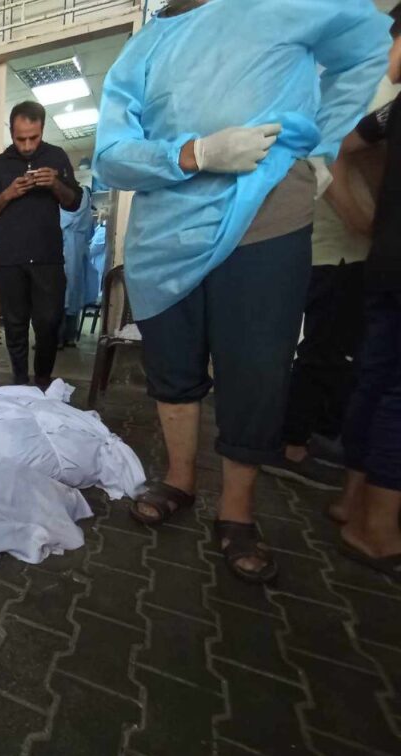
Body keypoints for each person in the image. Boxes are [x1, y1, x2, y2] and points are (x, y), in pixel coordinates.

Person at [93, 0, 390, 584]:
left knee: (256, 370)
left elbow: (364, 48)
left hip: (265, 218)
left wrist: (322, 143)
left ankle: (237, 512)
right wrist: (193, 153)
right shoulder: (141, 49)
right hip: (166, 233)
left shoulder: (279, 7)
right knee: (172, 364)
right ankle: (179, 479)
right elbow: (109, 156)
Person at [329, 4, 401, 580]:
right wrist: (369, 220)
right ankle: (376, 528)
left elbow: (346, 150)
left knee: (377, 378)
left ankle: (354, 502)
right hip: (389, 260)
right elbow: (340, 153)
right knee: (393, 389)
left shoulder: (388, 111)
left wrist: (376, 223)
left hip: (386, 262)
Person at [260, 176, 371, 490]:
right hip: (338, 254)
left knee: (332, 351)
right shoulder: (344, 147)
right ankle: (290, 448)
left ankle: (310, 441)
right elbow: (337, 176)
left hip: (345, 254)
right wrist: (376, 228)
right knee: (324, 351)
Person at [0, 101, 83, 389]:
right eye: (20, 138)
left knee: (49, 323)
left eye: (33, 138)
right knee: (14, 324)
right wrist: (8, 193)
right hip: (9, 258)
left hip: (48, 256)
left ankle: (43, 380)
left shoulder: (56, 156)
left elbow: (74, 203)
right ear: (11, 132)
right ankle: (20, 382)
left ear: (42, 130)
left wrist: (55, 184)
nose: (26, 145)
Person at [61, 188, 95, 347]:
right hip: (78, 249)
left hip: (65, 248)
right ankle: (69, 336)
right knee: (73, 293)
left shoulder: (76, 196)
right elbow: (90, 230)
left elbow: (62, 220)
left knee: (63, 294)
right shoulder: (84, 198)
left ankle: (59, 337)